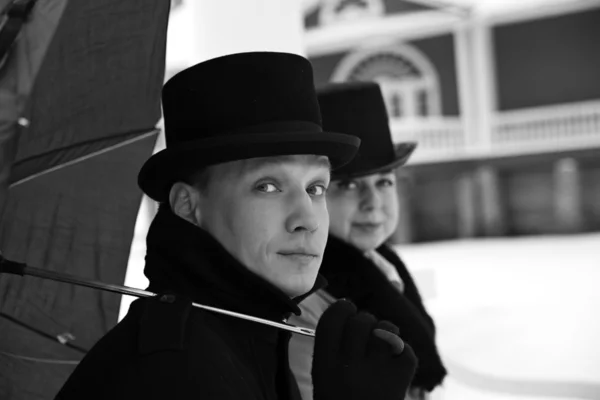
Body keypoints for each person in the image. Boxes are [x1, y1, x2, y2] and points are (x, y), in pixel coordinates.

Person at [54, 53, 418, 400]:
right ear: (188, 205)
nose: (306, 219)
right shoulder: (173, 369)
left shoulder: (253, 330)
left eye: (315, 188)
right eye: (267, 186)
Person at [288, 81, 447, 400]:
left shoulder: (382, 264)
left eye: (384, 182)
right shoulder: (308, 294)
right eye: (348, 186)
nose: (373, 202)